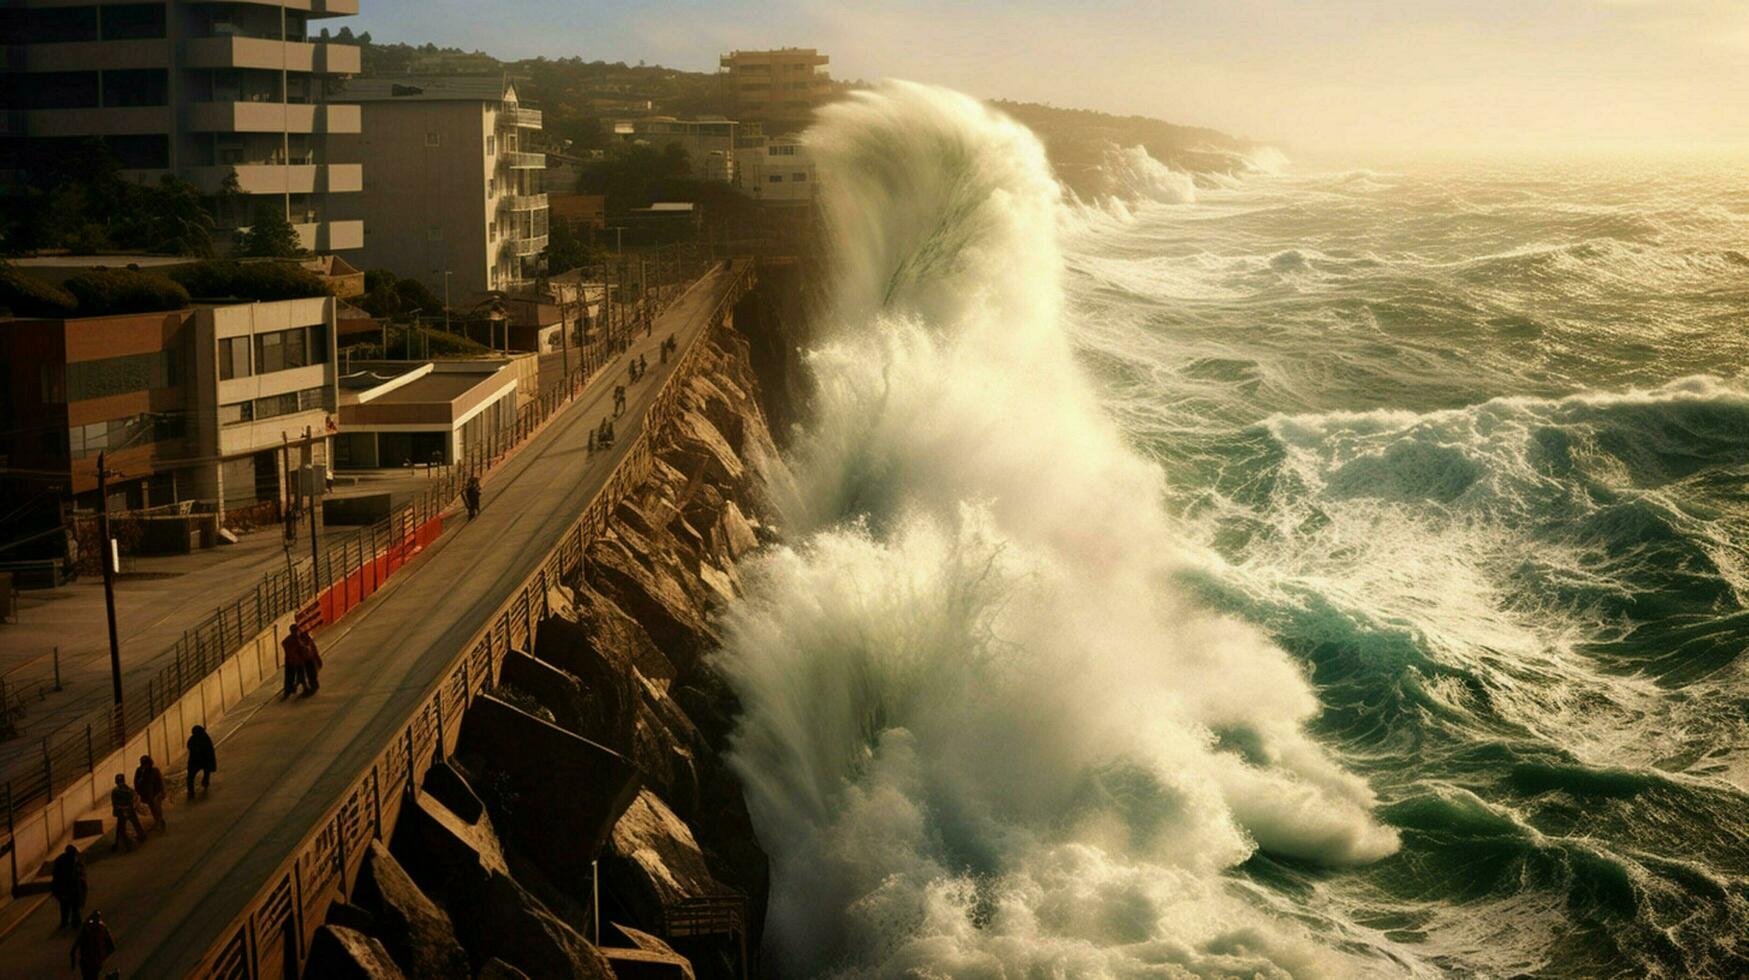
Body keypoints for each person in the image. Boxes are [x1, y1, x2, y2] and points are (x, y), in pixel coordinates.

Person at [70, 911, 115, 980]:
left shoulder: (86, 928)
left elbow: (75, 946)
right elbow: (111, 946)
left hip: (86, 961)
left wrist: (73, 961)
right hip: (95, 961)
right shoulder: (102, 927)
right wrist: (102, 956)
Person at [50, 846, 85, 929]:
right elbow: (75, 873)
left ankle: (66, 922)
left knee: (65, 906)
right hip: (68, 887)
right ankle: (74, 922)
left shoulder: (60, 859)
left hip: (63, 888)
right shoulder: (72, 861)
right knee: (73, 906)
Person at [109, 775, 143, 852]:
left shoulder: (116, 791)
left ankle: (120, 844)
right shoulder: (127, 790)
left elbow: (115, 803)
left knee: (121, 828)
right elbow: (135, 797)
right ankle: (140, 837)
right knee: (133, 824)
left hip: (123, 811)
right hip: (127, 810)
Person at [132, 755, 167, 831]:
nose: (145, 766)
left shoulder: (155, 771)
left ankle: (159, 821)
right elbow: (136, 782)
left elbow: (160, 781)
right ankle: (158, 820)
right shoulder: (140, 771)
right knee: (153, 808)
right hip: (147, 795)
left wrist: (163, 791)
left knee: (157, 808)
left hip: (156, 793)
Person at [186, 725, 217, 799]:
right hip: (200, 760)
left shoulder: (194, 739)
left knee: (191, 776)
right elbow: (210, 751)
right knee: (204, 771)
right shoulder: (205, 738)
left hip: (196, 760)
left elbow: (189, 746)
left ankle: (192, 789)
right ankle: (204, 782)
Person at [281, 622, 309, 699]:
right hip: (294, 661)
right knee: (296, 675)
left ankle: (296, 688)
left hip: (294, 661)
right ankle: (293, 689)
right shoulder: (294, 639)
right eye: (297, 630)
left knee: (298, 675)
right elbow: (301, 647)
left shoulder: (291, 639)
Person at [298, 627, 323, 694]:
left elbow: (310, 649)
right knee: (310, 674)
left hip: (309, 659)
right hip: (306, 660)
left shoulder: (305, 641)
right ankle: (312, 686)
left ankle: (313, 686)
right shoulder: (302, 640)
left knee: (311, 673)